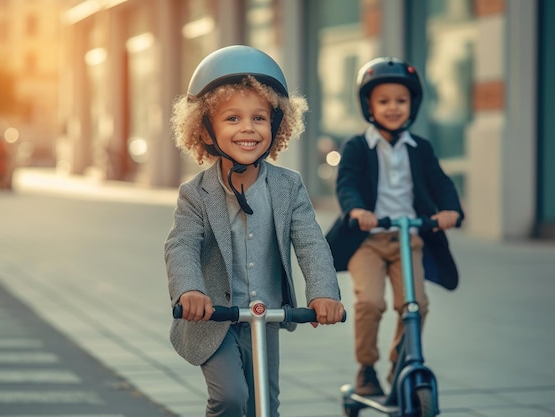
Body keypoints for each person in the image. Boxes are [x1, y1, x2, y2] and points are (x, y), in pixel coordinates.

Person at [164, 45, 345, 417]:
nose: (248, 128)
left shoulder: (288, 187)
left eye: (259, 118)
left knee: (266, 405)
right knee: (231, 398)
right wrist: (190, 290)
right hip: (213, 320)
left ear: (277, 126)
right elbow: (181, 245)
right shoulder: (196, 194)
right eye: (232, 118)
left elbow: (310, 242)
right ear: (206, 128)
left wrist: (323, 292)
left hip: (266, 317)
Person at [325, 57, 464, 396]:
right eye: (383, 101)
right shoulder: (357, 146)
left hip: (409, 237)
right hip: (367, 241)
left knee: (415, 305)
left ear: (412, 105)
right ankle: (367, 368)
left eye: (400, 101)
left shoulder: (420, 149)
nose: (392, 108)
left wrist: (451, 210)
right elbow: (348, 183)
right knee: (371, 303)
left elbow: (441, 183)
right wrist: (357, 209)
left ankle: (401, 364)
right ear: (368, 105)